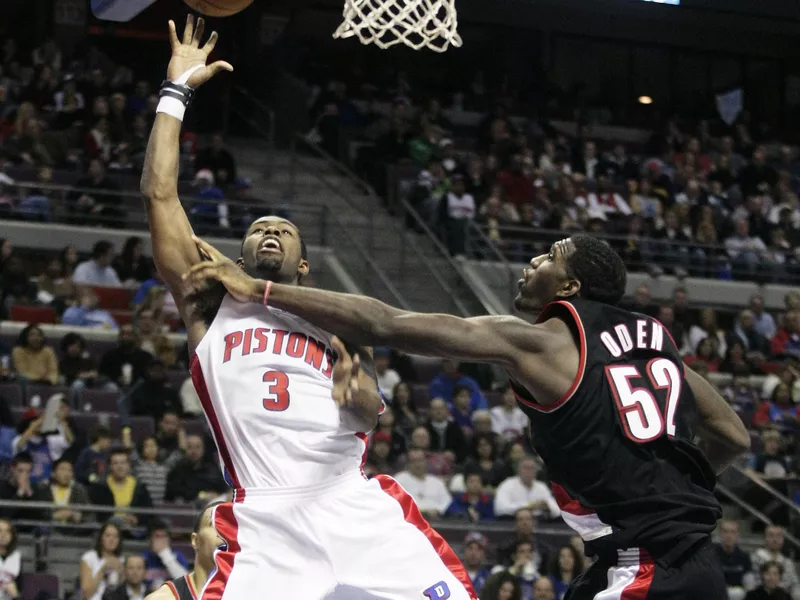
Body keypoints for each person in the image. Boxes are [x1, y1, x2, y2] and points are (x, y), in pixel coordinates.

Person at [187, 231, 751, 600]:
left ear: (571, 287)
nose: (533, 261)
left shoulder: (540, 342)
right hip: (689, 561)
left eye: (549, 256)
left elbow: (385, 323)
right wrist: (678, 487)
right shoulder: (657, 344)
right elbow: (731, 434)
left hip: (643, 565)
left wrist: (258, 289)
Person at [140, 16, 475, 599]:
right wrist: (176, 93)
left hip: (349, 497)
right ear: (238, 256)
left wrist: (357, 398)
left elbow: (370, 416)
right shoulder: (206, 301)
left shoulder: (338, 319)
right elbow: (159, 194)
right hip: (266, 517)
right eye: (259, 228)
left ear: (302, 266)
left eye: (284, 231)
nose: (270, 231)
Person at [144, 502, 222, 600]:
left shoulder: (178, 556)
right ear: (195, 540)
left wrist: (165, 554)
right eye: (214, 524)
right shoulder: (144, 558)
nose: (224, 532)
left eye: (164, 536)